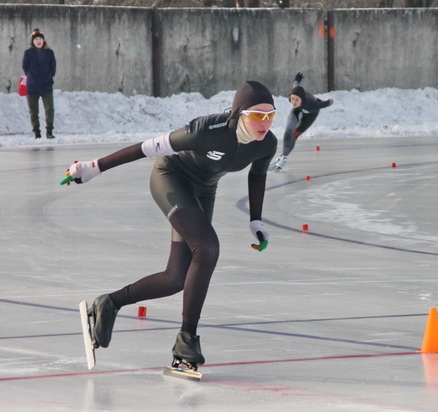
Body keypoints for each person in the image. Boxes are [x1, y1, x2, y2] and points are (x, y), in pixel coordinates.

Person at [62, 81, 277, 370]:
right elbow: (148, 147)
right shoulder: (207, 130)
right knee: (208, 247)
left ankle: (108, 303)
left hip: (203, 190)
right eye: (256, 115)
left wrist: (256, 220)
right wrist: (95, 166)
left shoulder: (268, 144)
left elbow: (258, 177)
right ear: (239, 114)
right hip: (171, 178)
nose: (263, 123)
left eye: (270, 115)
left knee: (175, 278)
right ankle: (187, 339)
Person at [269, 72, 333, 170]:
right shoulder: (295, 100)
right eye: (292, 99)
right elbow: (296, 84)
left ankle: (283, 157)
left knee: (294, 135)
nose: (293, 102)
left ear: (302, 99)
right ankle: (283, 157)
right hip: (298, 110)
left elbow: (326, 103)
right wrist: (297, 79)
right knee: (288, 129)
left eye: (296, 100)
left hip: (311, 115)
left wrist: (329, 102)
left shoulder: (312, 106)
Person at [22, 28, 57, 139]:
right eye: (36, 39)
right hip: (32, 87)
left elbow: (53, 68)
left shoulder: (49, 53)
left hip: (46, 85)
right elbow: (25, 67)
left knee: (49, 108)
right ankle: (37, 132)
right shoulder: (28, 53)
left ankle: (49, 131)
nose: (38, 41)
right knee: (33, 111)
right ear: (33, 41)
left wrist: (48, 77)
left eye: (40, 39)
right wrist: (32, 77)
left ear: (43, 40)